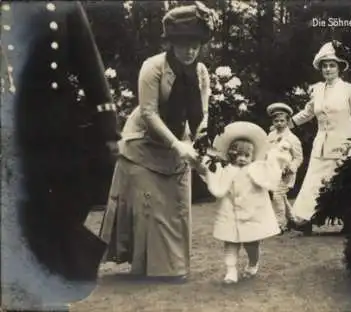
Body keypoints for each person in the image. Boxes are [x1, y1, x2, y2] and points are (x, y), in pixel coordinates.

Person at [2, 1, 119, 309]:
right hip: (10, 132)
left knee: (58, 219)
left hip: (57, 133)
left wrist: (107, 128)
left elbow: (89, 64)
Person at [98, 2, 217, 283]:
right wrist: (177, 145)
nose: (189, 51)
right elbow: (149, 113)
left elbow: (203, 111)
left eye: (195, 45)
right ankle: (149, 268)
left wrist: (199, 143)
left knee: (178, 205)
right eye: (183, 44)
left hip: (180, 141)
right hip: (143, 143)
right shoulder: (153, 68)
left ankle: (174, 267)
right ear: (171, 43)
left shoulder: (201, 73)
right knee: (152, 209)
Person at [289, 42, 351, 235]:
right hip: (321, 143)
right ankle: (305, 220)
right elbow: (307, 113)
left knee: (342, 181)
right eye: (325, 65)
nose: (328, 69)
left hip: (345, 142)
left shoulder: (349, 89)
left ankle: (350, 219)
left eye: (332, 65)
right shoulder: (316, 90)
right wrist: (287, 124)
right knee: (314, 180)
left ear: (339, 68)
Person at [193, 121, 283, 284]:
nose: (242, 159)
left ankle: (253, 263)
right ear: (230, 155)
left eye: (246, 156)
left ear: (252, 155)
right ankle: (231, 271)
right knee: (230, 242)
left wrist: (276, 154)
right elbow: (211, 176)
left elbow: (272, 174)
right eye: (237, 155)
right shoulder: (226, 169)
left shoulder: (256, 169)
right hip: (230, 212)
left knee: (251, 244)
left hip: (251, 213)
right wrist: (203, 163)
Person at [266, 102, 304, 233]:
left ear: (288, 121)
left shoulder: (292, 139)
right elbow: (267, 152)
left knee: (277, 195)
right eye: (276, 121)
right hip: (273, 171)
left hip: (286, 172)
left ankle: (280, 224)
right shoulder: (270, 136)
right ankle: (292, 219)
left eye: (282, 120)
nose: (279, 123)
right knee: (280, 196)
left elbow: (298, 158)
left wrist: (291, 168)